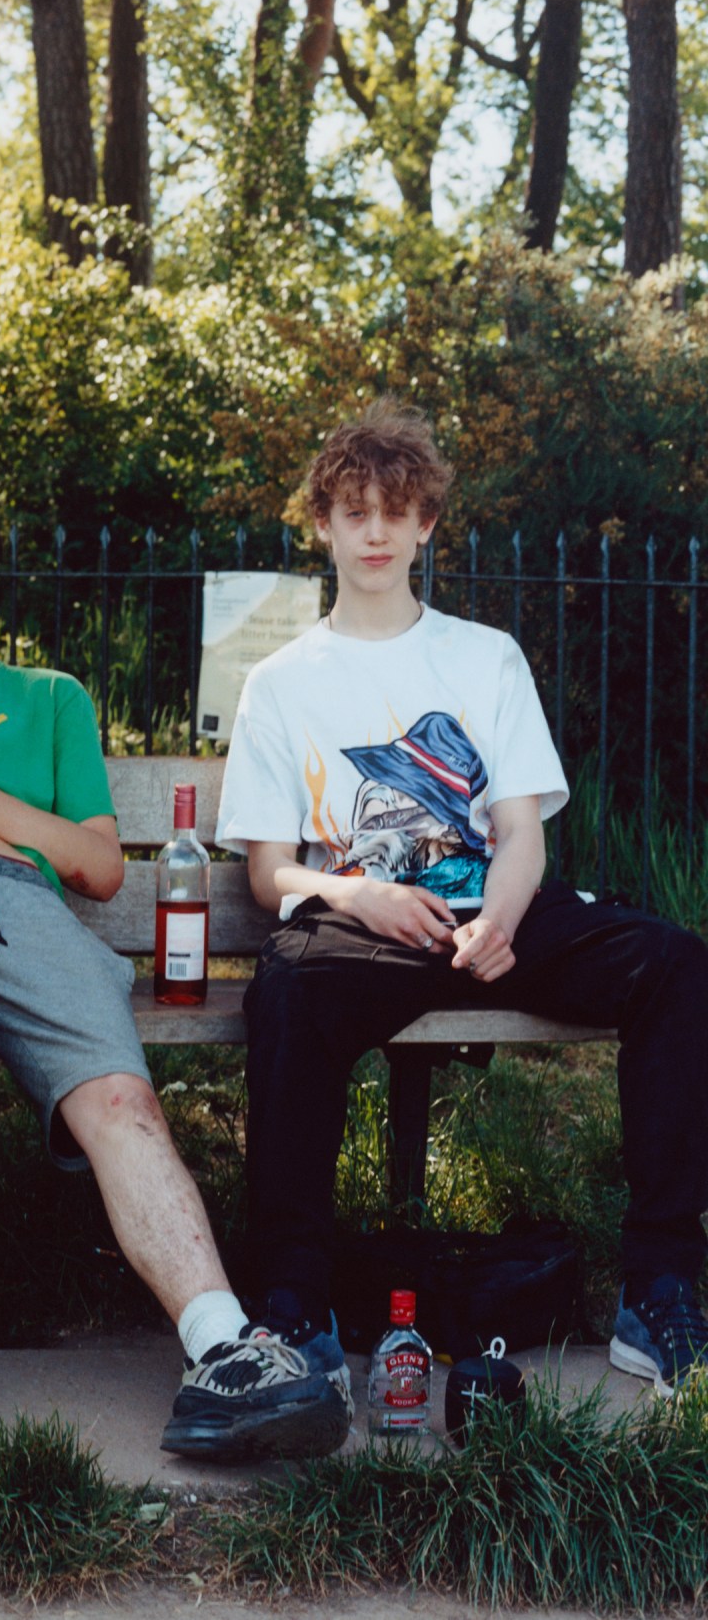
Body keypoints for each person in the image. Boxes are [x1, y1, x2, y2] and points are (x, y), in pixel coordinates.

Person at [0, 453, 345, 1458]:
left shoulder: (48, 698)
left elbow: (94, 865)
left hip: (18, 904)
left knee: (120, 1100)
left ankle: (222, 1346)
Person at [220, 397, 708, 1416]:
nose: (372, 532)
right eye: (351, 511)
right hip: (365, 927)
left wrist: (496, 919)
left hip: (494, 911)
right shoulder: (279, 680)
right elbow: (269, 874)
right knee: (285, 991)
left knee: (671, 962)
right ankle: (293, 1307)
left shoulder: (481, 656)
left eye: (394, 511)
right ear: (320, 522)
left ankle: (656, 1287)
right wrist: (355, 892)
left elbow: (520, 830)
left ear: (425, 524)